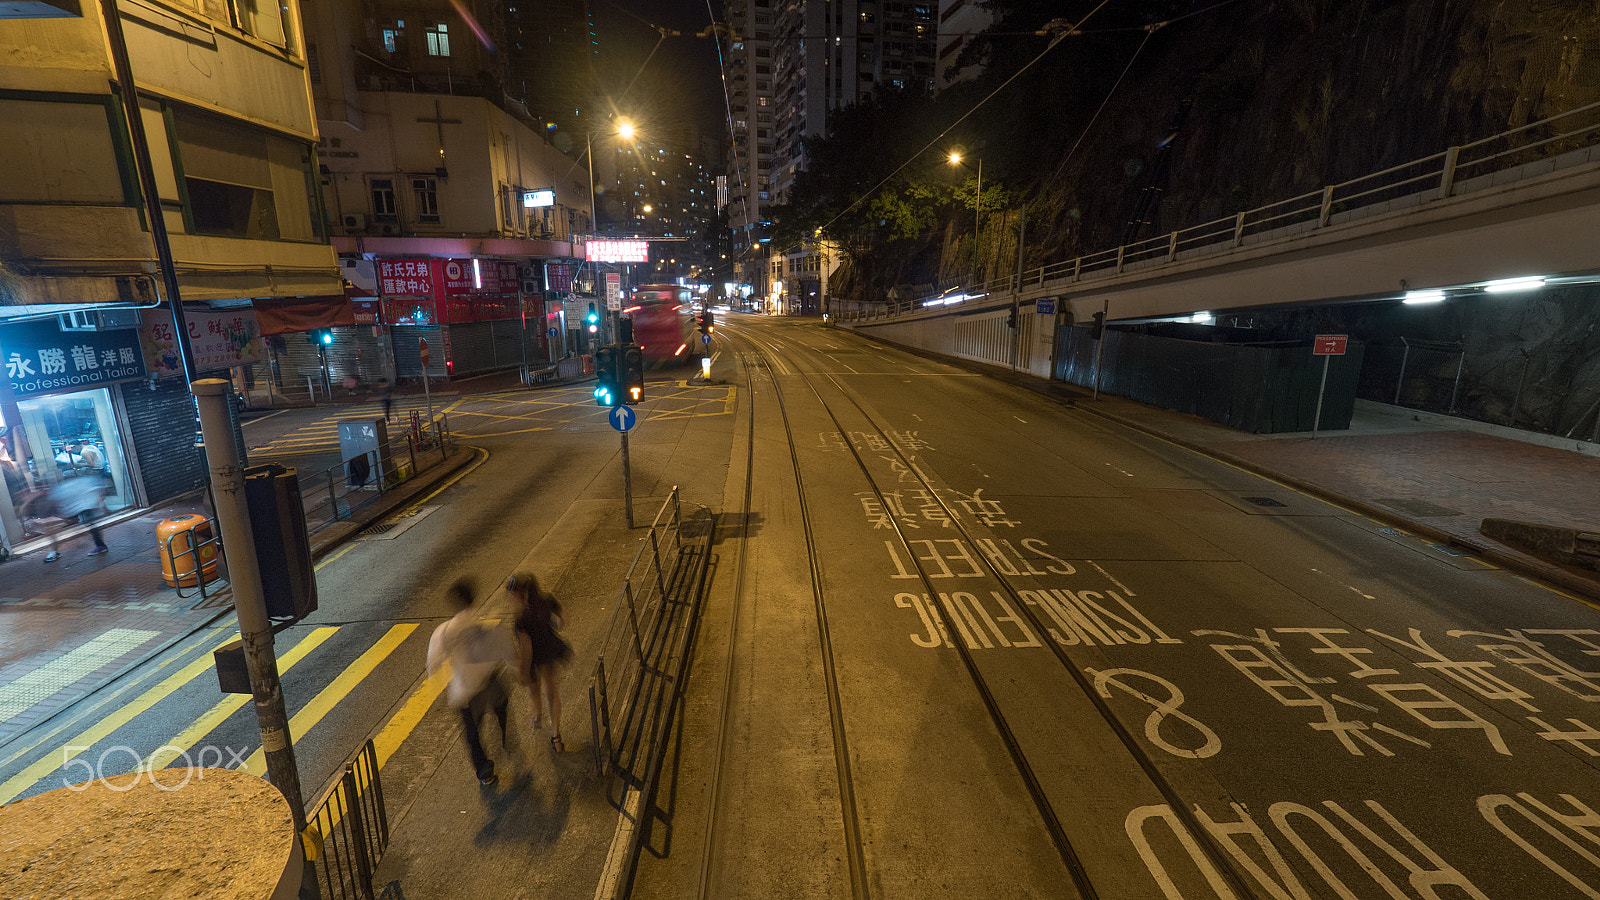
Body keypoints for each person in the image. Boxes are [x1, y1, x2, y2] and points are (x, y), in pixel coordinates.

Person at [426, 578, 518, 785]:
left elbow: (433, 663)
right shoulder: (485, 626)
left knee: (472, 733)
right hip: (488, 681)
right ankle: (505, 738)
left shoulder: (443, 631)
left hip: (464, 690)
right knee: (501, 705)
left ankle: (485, 771)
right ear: (473, 600)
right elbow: (507, 651)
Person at [508, 573, 572, 752]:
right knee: (552, 691)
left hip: (534, 657)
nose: (510, 598)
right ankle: (556, 735)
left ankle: (537, 716)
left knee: (534, 690)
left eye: (513, 594)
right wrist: (553, 624)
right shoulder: (546, 600)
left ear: (523, 592)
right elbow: (562, 619)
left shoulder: (521, 618)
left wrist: (522, 670)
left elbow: (526, 649)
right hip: (549, 650)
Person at [42, 471, 111, 561]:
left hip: (80, 507)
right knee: (91, 524)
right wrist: (104, 507)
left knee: (90, 524)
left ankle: (54, 552)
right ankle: (99, 545)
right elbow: (98, 493)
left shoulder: (59, 489)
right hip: (81, 507)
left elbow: (97, 493)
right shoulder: (83, 482)